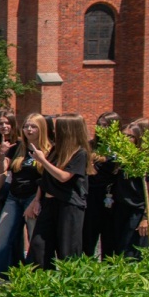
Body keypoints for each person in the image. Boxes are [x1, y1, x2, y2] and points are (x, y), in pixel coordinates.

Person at [27, 113, 91, 269]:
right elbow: (45, 178)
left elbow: (64, 177)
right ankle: (41, 278)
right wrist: (37, 200)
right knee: (39, 244)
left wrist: (42, 160)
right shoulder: (56, 149)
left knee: (67, 248)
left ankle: (70, 279)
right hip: (49, 202)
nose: (55, 131)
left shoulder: (80, 153)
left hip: (68, 205)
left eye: (59, 128)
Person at [0, 113, 49, 276]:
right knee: (0, 236)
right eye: (26, 126)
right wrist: (1, 154)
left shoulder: (48, 149)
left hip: (34, 197)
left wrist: (36, 200)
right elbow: (1, 170)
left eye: (33, 127)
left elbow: (46, 178)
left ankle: (35, 275)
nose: (28, 130)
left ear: (41, 129)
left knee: (34, 238)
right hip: (14, 196)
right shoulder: (17, 147)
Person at [109, 119, 149, 259]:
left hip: (138, 210)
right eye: (123, 136)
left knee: (132, 253)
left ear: (138, 139)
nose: (126, 139)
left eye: (130, 136)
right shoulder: (119, 160)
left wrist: (146, 217)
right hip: (120, 209)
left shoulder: (145, 160)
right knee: (119, 250)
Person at [83, 112, 121, 258]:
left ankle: (109, 268)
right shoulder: (91, 146)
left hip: (113, 196)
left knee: (110, 238)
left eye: (106, 125)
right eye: (99, 125)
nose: (101, 128)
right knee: (88, 237)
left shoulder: (120, 147)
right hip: (91, 195)